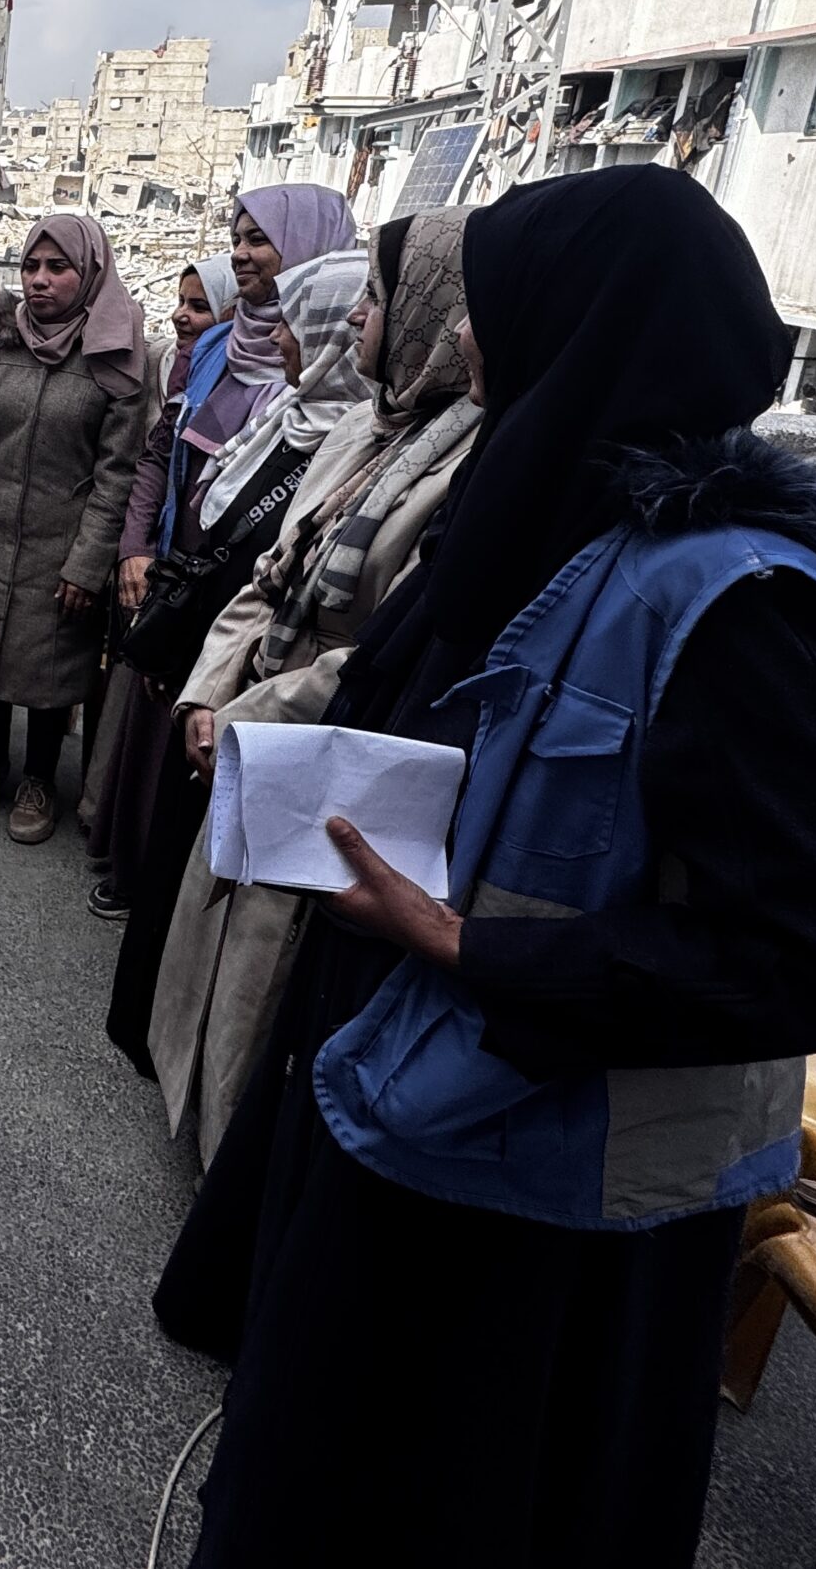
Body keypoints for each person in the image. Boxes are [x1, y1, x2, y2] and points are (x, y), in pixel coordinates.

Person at [158, 166, 816, 1566]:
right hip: (442, 1097)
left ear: (590, 323)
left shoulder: (738, 604)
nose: (462, 343)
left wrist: (471, 948)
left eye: (497, 310)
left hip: (559, 1195)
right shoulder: (566, 517)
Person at [146, 209, 480, 1160]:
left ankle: (229, 1156)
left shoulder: (466, 468)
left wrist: (246, 714)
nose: (355, 323)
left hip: (322, 727)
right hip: (258, 709)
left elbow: (388, 641)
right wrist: (210, 690)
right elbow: (271, 579)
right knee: (220, 934)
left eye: (376, 299)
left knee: (269, 959)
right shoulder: (365, 431)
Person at [103, 244, 370, 1070]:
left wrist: (228, 690)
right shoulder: (296, 421)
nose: (282, 337)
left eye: (299, 322)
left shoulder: (354, 442)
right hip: (214, 674)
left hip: (264, 700)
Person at [87, 184, 357, 921]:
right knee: (157, 724)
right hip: (184, 570)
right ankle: (135, 867)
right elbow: (160, 453)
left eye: (259, 239)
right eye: (235, 237)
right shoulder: (216, 345)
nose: (241, 253)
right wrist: (136, 550)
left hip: (252, 593)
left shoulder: (340, 373)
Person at [0, 214, 149, 845]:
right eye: (31, 267)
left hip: (62, 537)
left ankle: (41, 778)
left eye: (58, 267)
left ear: (90, 273)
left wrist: (88, 562)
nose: (40, 281)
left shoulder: (116, 351)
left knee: (49, 661)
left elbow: (118, 472)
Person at [76, 254, 236, 838]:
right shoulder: (180, 369)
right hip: (159, 559)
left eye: (199, 307)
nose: (181, 317)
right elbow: (155, 461)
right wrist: (135, 547)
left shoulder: (245, 378)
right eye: (181, 303)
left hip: (204, 570)